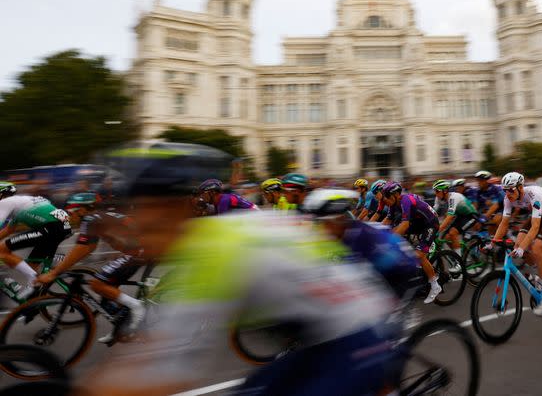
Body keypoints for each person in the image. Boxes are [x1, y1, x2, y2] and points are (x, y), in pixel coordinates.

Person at [74, 150, 399, 396]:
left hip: (356, 333)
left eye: (150, 226)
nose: (143, 240)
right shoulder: (208, 242)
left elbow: (165, 370)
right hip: (320, 332)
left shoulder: (213, 251)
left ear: (176, 211)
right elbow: (156, 355)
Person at [37, 192, 147, 342]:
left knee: (97, 284)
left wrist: (54, 273)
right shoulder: (97, 217)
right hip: (140, 248)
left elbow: (82, 249)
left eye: (70, 211)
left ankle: (137, 307)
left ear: (81, 210)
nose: (68, 216)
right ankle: (120, 328)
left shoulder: (88, 219)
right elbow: (90, 248)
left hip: (138, 251)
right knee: (107, 291)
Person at [493, 172, 542, 316]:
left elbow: (535, 227)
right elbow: (504, 223)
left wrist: (522, 248)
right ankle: (539, 275)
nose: (507, 193)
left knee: (537, 250)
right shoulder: (508, 198)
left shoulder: (534, 194)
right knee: (518, 244)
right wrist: (492, 243)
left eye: (511, 189)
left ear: (520, 187)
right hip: (538, 215)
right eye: (504, 190)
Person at [0, 182, 72, 300]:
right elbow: (8, 230)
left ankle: (34, 280)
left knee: (2, 250)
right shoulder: (22, 201)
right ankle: (33, 304)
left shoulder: (4, 203)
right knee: (31, 267)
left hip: (51, 228)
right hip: (60, 227)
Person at [380, 181, 442, 303]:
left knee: (419, 255)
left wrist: (389, 241)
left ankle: (435, 285)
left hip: (430, 223)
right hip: (418, 222)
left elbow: (405, 224)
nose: (385, 200)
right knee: (395, 232)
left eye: (387, 196)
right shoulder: (393, 204)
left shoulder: (405, 200)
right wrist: (375, 234)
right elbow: (387, 220)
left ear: (396, 194)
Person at [434, 180, 479, 256]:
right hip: (460, 216)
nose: (436, 194)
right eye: (435, 191)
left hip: (471, 216)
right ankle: (458, 254)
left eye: (437, 191)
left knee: (453, 232)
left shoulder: (453, 197)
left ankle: (459, 262)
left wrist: (438, 230)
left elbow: (449, 217)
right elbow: (433, 212)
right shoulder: (438, 198)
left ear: (445, 191)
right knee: (447, 238)